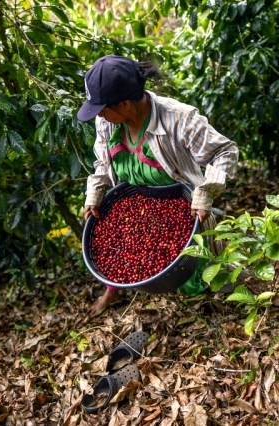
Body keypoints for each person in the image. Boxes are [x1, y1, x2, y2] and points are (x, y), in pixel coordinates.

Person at [77, 54, 239, 315]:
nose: (100, 116)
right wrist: (94, 193)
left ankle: (217, 304)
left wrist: (206, 192)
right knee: (132, 256)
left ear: (125, 104)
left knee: (206, 279)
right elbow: (102, 163)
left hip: (183, 211)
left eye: (102, 108)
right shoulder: (107, 122)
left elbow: (225, 152)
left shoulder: (178, 119)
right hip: (136, 214)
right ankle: (116, 292)